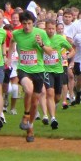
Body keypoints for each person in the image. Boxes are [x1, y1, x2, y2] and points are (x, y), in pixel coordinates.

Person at [11, 10, 54, 142]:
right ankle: (25, 115)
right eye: (24, 23)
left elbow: (50, 52)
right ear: (21, 23)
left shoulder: (40, 33)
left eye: (29, 23)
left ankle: (30, 128)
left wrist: (41, 44)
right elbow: (11, 42)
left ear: (33, 23)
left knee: (35, 103)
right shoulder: (16, 34)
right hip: (24, 69)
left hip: (38, 70)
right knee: (28, 90)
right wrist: (8, 57)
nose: (27, 26)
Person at [39, 18, 73, 130]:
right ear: (45, 29)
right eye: (48, 28)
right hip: (46, 70)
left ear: (56, 29)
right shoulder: (41, 39)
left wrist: (67, 56)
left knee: (57, 97)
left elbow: (72, 49)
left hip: (58, 70)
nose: (50, 31)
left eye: (53, 28)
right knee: (49, 92)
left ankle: (52, 107)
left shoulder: (59, 38)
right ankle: (53, 118)